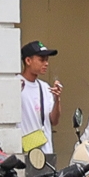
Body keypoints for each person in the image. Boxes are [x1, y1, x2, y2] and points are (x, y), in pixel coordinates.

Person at [19, 40, 61, 168]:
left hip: (46, 152)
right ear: (28, 61)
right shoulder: (16, 84)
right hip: (25, 153)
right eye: (41, 60)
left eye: (47, 60)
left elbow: (54, 120)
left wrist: (57, 98)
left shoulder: (44, 87)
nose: (46, 64)